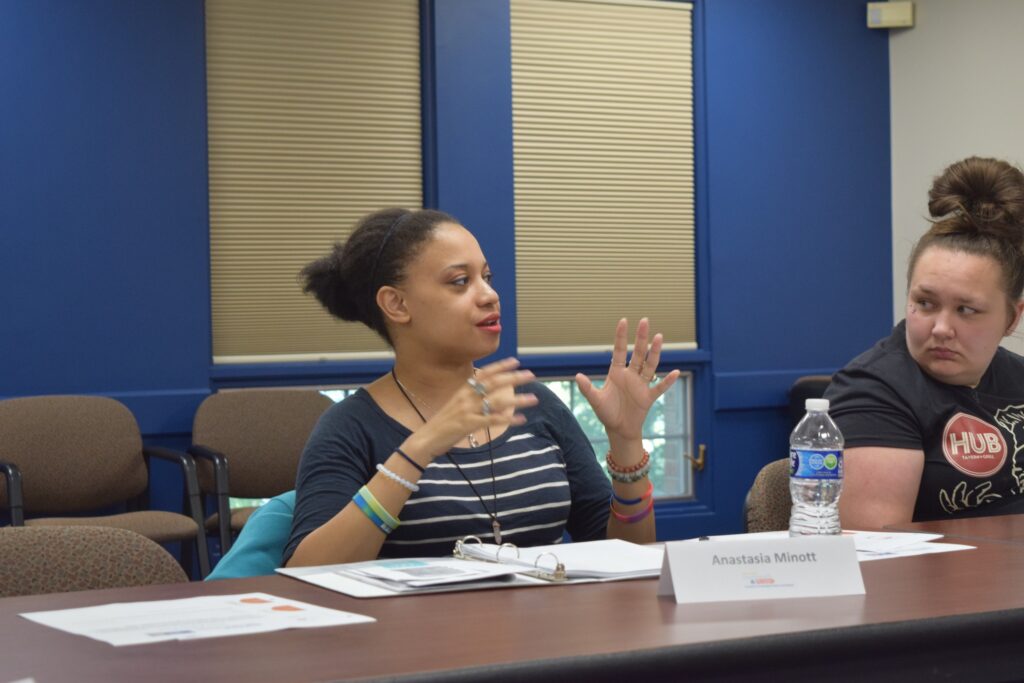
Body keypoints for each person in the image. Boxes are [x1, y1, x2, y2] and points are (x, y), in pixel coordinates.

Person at [283, 208, 679, 566]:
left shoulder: (535, 405)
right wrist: (420, 448)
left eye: (486, 277)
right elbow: (308, 571)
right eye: (460, 281)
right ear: (396, 304)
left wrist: (627, 446)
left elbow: (627, 555)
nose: (489, 295)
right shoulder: (351, 427)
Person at [826, 156, 1024, 528]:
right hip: (947, 583)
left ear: (1012, 318)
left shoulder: (1017, 379)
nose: (941, 328)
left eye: (966, 310)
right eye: (925, 303)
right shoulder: (873, 391)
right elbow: (879, 557)